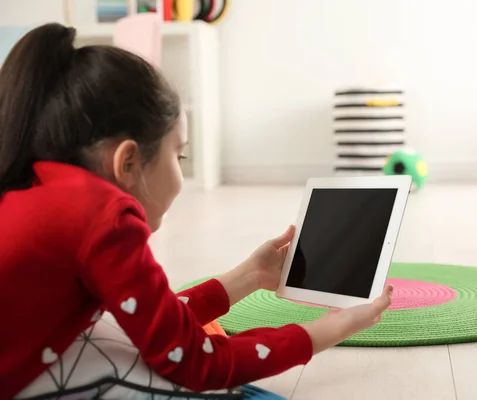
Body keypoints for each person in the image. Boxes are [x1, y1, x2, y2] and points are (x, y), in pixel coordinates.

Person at [0, 23, 393, 398]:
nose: (182, 169)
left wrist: (249, 275)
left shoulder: (42, 188)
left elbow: (153, 322)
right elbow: (192, 361)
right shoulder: (101, 215)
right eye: (180, 153)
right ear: (129, 163)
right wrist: (324, 331)